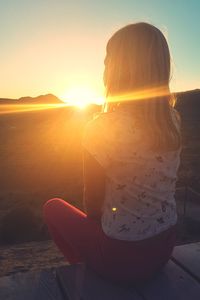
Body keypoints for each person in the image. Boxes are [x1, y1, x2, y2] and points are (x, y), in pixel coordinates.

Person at [43, 22, 182, 284]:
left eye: (108, 60)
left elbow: (92, 206)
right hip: (165, 246)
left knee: (53, 207)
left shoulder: (102, 127)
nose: (104, 67)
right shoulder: (173, 120)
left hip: (121, 259)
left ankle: (89, 269)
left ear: (119, 69)